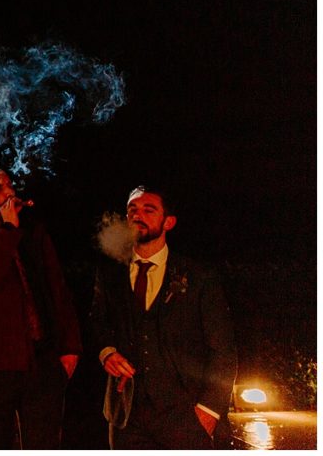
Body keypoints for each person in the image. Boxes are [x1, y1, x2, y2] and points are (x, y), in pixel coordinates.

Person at [90, 185, 237, 449]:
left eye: (149, 209)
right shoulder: (110, 273)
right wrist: (107, 352)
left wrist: (209, 411)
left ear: (168, 222)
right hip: (125, 415)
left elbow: (223, 350)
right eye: (132, 209)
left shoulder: (199, 276)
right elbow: (97, 323)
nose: (138, 215)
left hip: (186, 414)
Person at [0, 168, 82, 449]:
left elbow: (57, 288)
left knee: (44, 443)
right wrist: (8, 230)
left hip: (41, 360)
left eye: (10, 185)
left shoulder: (32, 230)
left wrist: (70, 347)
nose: (9, 193)